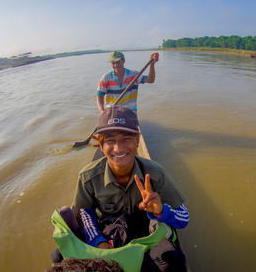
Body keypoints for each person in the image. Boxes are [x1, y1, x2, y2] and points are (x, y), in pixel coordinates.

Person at [72, 105, 189, 271]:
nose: (118, 149)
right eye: (110, 140)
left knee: (172, 260)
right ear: (100, 144)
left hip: (149, 231)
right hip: (112, 230)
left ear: (137, 140)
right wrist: (99, 241)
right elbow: (85, 213)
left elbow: (184, 218)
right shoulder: (87, 177)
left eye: (126, 139)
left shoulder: (156, 174)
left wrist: (160, 211)